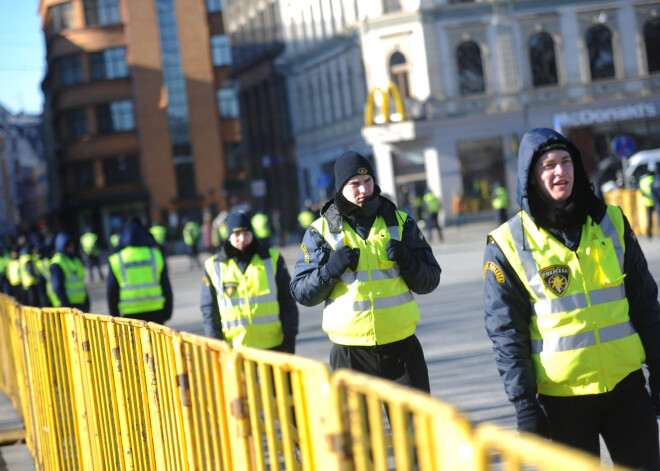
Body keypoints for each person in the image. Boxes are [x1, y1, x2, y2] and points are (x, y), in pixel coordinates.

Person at [483, 128, 660, 470]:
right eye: (547, 165)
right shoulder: (507, 242)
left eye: (565, 161)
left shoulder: (612, 223)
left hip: (626, 389)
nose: (559, 172)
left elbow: (645, 304)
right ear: (531, 177)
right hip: (562, 401)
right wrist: (524, 405)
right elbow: (506, 333)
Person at [290, 151, 441, 392]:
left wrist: (408, 261)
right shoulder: (320, 232)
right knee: (360, 431)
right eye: (355, 184)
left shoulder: (402, 223)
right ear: (341, 188)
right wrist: (329, 270)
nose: (363, 190)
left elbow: (430, 280)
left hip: (402, 348)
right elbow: (301, 292)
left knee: (414, 430)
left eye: (368, 181)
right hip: (350, 353)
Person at [200, 211, 298, 352]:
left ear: (252, 233)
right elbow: (209, 309)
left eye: (246, 233)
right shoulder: (213, 265)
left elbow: (287, 300)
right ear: (228, 237)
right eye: (237, 234)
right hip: (235, 349)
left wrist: (290, 337)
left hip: (273, 345)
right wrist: (215, 343)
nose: (242, 239)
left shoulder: (272, 258)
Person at [107, 218, 173, 324]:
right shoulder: (155, 255)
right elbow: (166, 285)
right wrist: (168, 311)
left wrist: (115, 317)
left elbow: (112, 292)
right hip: (156, 311)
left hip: (130, 314)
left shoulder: (117, 259)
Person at [50, 232, 90, 312]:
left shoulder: (76, 260)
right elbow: (58, 287)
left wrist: (87, 301)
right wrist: (66, 306)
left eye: (72, 245)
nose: (71, 248)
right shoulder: (57, 263)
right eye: (68, 246)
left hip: (80, 304)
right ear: (62, 247)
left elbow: (81, 282)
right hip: (67, 306)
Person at [639, 170, 655, 238]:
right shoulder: (654, 179)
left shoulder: (643, 181)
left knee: (649, 218)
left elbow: (642, 191)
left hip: (647, 202)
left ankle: (649, 233)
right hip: (655, 201)